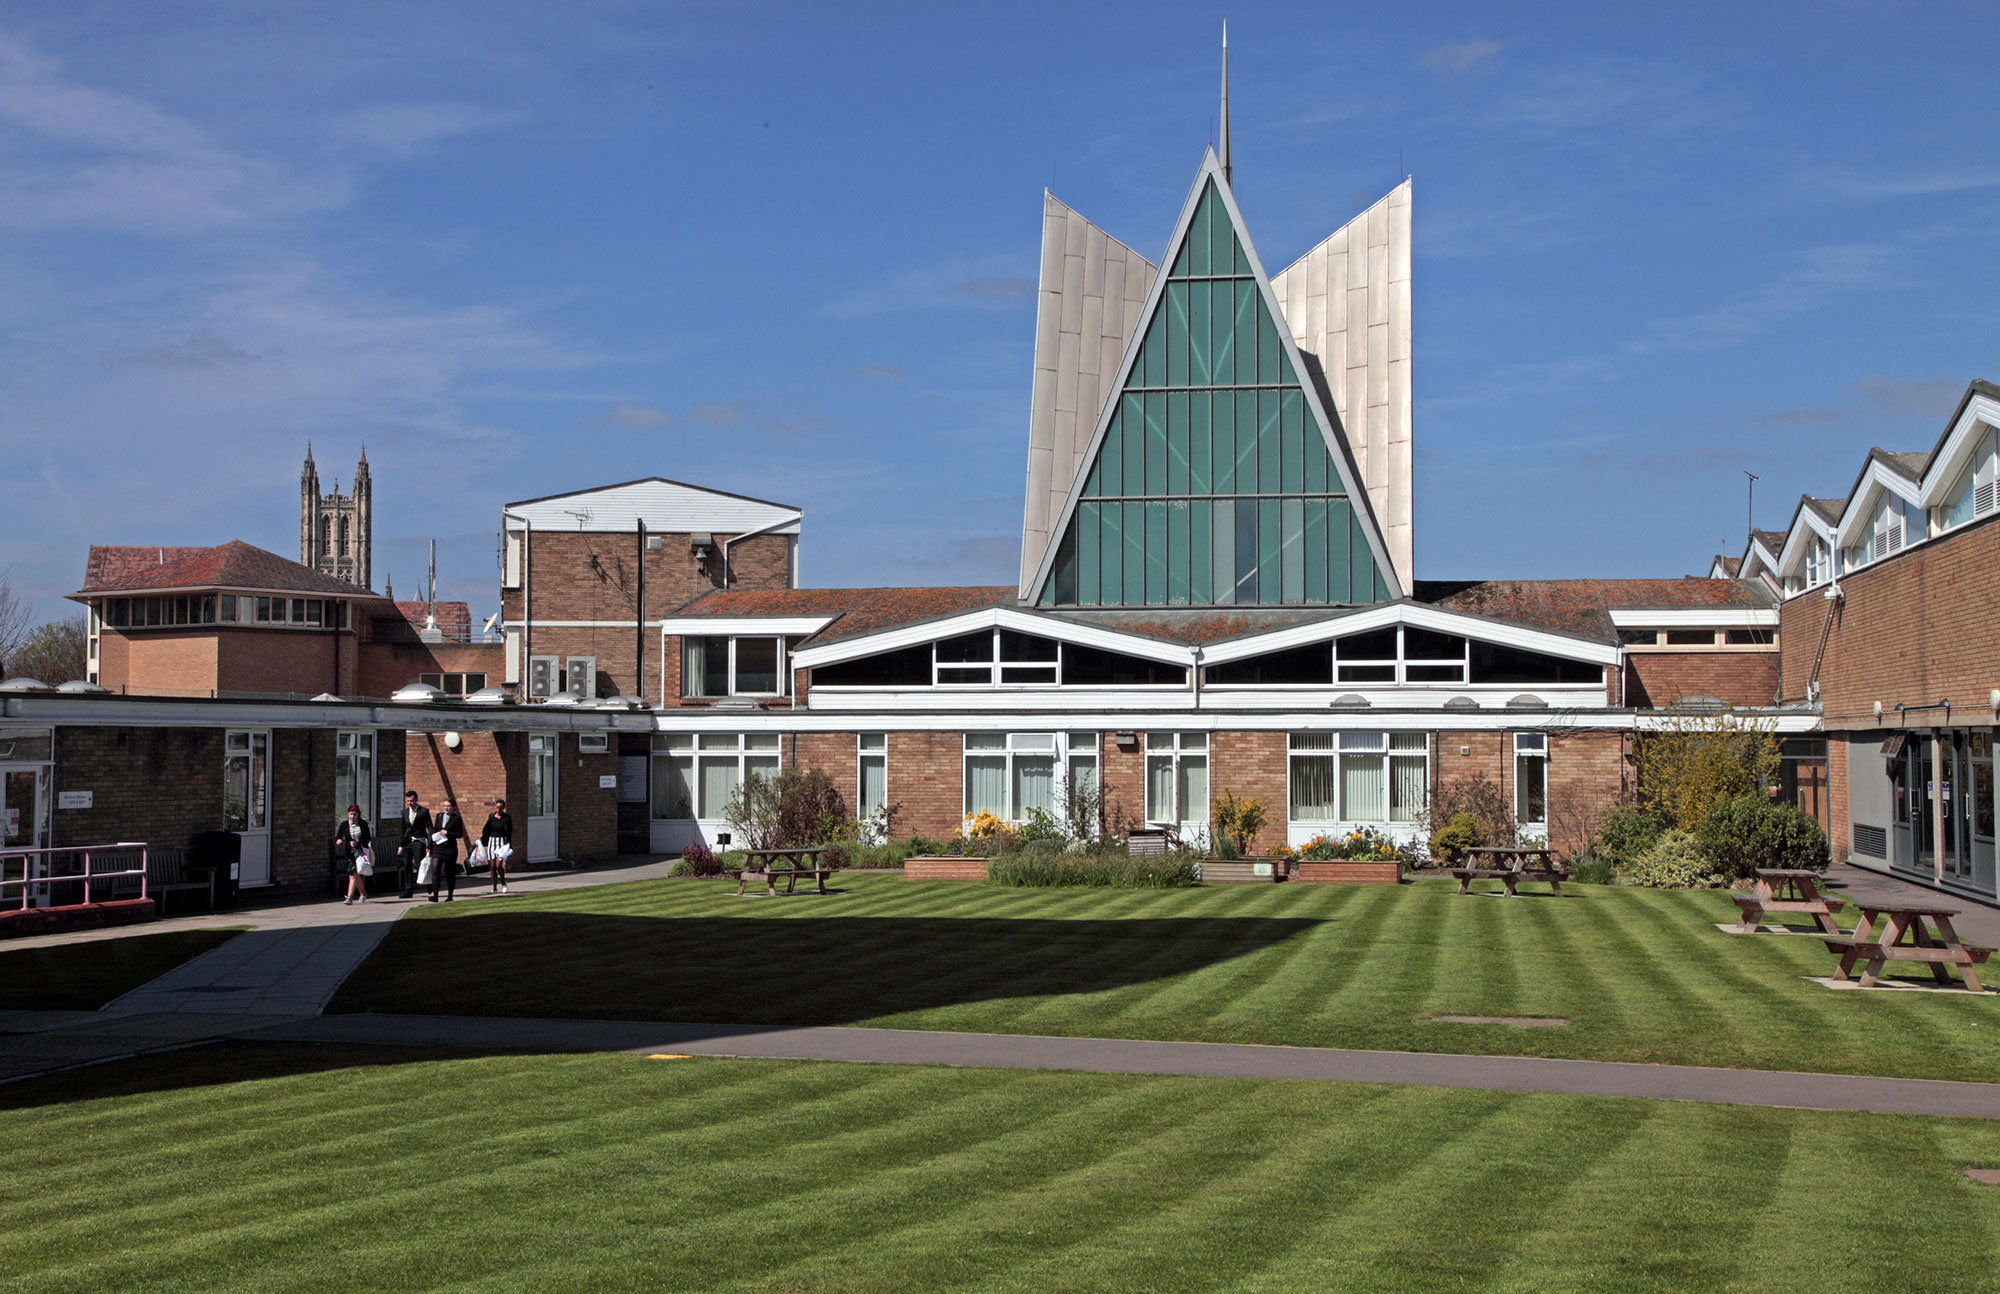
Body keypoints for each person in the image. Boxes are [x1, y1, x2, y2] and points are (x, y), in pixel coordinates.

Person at [427, 795, 467, 902]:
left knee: (449, 872)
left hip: (450, 849)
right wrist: (429, 846)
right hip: (438, 848)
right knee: (436, 870)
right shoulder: (439, 816)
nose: (446, 808)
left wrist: (448, 833)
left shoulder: (456, 819)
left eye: (448, 806)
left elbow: (459, 834)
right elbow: (434, 831)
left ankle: (450, 895)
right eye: (444, 806)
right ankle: (435, 895)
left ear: (453, 808)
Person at [333, 804, 372, 905]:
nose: (352, 817)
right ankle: (363, 894)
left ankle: (349, 898)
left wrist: (357, 842)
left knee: (353, 874)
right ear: (348, 814)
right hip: (349, 852)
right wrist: (339, 840)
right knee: (354, 873)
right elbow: (339, 836)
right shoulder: (344, 824)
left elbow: (367, 838)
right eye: (351, 814)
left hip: (360, 852)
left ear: (358, 814)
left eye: (354, 815)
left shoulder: (363, 824)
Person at [398, 790, 431, 900]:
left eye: (411, 801)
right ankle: (408, 889)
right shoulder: (404, 813)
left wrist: (429, 843)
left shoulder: (423, 812)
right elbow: (403, 829)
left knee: (419, 864)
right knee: (406, 864)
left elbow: (429, 827)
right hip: (407, 842)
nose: (409, 803)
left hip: (419, 841)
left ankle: (428, 882)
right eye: (407, 801)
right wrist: (400, 845)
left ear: (416, 800)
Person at [481, 797, 513, 894]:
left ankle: (503, 882)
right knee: (492, 866)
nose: (498, 809)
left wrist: (509, 843)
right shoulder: (491, 817)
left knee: (498, 865)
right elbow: (486, 829)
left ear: (503, 808)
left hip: (501, 842)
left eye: (500, 808)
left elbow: (509, 831)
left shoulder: (507, 818)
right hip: (492, 841)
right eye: (497, 807)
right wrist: (483, 840)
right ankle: (494, 887)